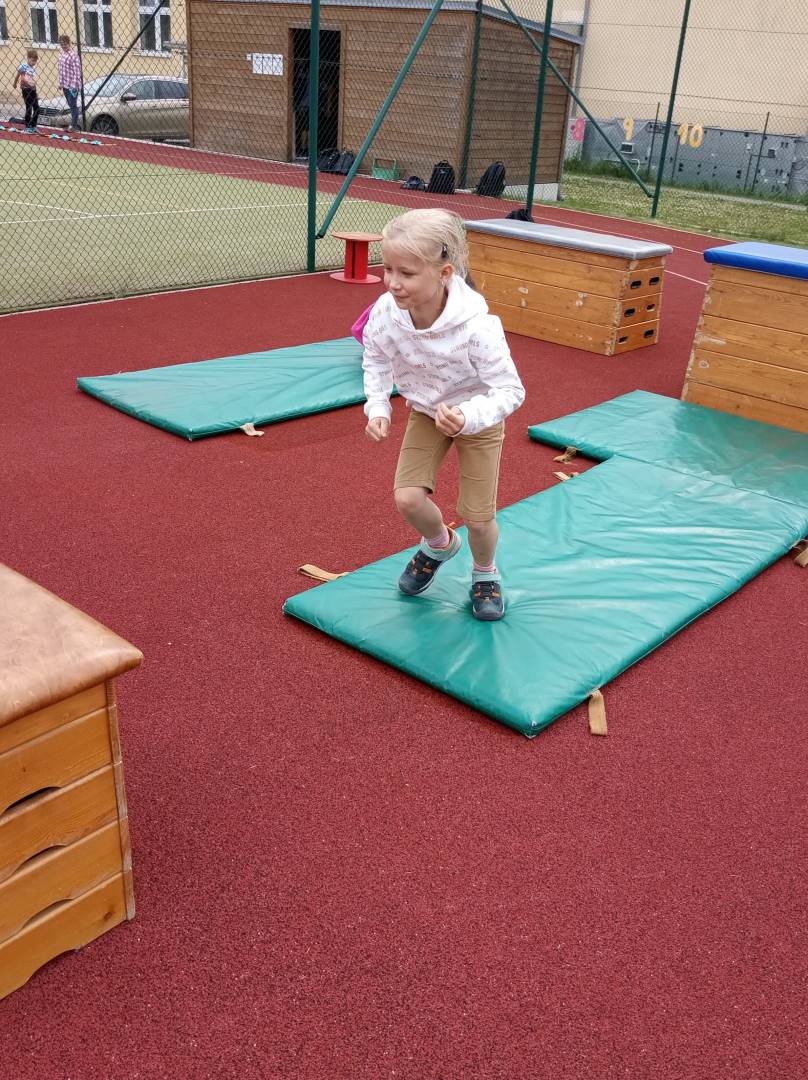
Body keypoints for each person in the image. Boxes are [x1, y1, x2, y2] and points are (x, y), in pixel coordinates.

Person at [361, 208, 525, 621]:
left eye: (407, 273)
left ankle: (485, 572)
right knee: (407, 498)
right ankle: (438, 544)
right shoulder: (386, 312)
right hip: (426, 411)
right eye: (388, 269)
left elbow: (511, 390)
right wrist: (378, 405)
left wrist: (469, 417)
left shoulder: (477, 328)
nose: (393, 283)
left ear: (444, 273)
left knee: (478, 517)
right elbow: (375, 356)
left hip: (478, 418)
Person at [57, 35, 82, 132]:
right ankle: (73, 123)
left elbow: (77, 71)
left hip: (72, 85)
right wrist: (60, 82)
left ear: (69, 43)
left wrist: (75, 85)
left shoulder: (73, 55)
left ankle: (73, 125)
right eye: (62, 44)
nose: (63, 46)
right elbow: (60, 70)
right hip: (65, 84)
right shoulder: (61, 55)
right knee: (70, 104)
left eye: (65, 44)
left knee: (72, 104)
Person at [13, 49, 39, 135]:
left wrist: (35, 90)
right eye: (33, 60)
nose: (34, 63)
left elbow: (33, 79)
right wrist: (15, 83)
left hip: (33, 89)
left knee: (37, 108)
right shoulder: (23, 66)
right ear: (28, 58)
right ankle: (27, 127)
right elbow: (17, 75)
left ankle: (33, 126)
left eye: (35, 61)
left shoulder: (33, 68)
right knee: (29, 107)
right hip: (26, 89)